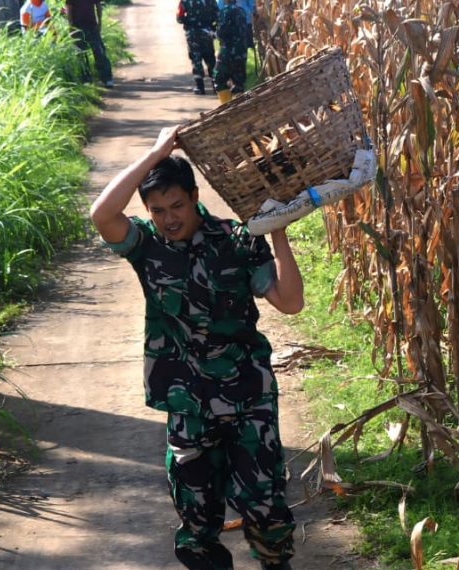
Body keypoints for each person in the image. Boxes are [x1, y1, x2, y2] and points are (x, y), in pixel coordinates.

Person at [89, 127, 301, 570]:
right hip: (188, 400)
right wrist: (154, 154)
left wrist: (277, 230)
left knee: (265, 506)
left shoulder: (237, 240)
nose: (169, 218)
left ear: (195, 196)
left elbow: (290, 301)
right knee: (196, 516)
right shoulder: (145, 247)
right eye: (158, 209)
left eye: (177, 205)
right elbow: (102, 212)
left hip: (248, 394)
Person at [64, 0, 114, 87]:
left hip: (92, 26)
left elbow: (98, 5)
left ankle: (107, 78)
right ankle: (86, 79)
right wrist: (71, 26)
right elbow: (68, 8)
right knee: (81, 55)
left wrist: (100, 22)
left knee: (99, 52)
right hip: (77, 27)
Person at [177, 0, 218, 95]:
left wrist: (189, 20)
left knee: (196, 60)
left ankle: (200, 87)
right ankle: (216, 86)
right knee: (210, 59)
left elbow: (179, 18)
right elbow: (217, 15)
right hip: (207, 33)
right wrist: (212, 27)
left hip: (192, 34)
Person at [213, 0, 249, 103]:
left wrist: (216, 34)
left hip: (228, 51)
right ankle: (241, 107)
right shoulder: (241, 11)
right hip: (241, 51)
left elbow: (221, 32)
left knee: (219, 78)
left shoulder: (225, 11)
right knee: (238, 81)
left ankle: (226, 106)